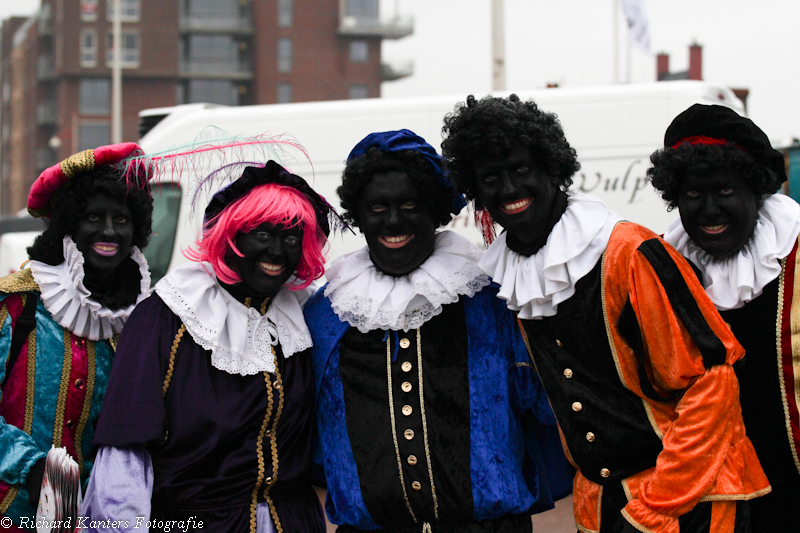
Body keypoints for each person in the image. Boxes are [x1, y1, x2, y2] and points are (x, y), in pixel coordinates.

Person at [441, 95, 771, 533]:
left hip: (689, 501)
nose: (507, 189)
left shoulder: (628, 253)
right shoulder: (514, 272)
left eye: (520, 170)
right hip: (602, 506)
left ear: (552, 168)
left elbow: (713, 385)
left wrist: (656, 508)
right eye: (490, 177)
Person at [304, 129, 572, 533]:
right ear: (358, 215)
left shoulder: (493, 300)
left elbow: (553, 404)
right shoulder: (325, 314)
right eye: (377, 207)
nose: (393, 221)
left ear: (437, 209)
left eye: (410, 204)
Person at [81, 160, 331, 532]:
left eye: (291, 238)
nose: (277, 252)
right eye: (262, 234)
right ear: (231, 236)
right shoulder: (166, 318)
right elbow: (124, 457)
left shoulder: (301, 318)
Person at [648, 103, 800, 532]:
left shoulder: (794, 253)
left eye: (726, 192)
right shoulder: (659, 269)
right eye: (693, 195)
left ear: (756, 190)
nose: (709, 210)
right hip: (706, 503)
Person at [0, 143, 153, 530]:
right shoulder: (16, 306)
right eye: (93, 217)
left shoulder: (142, 319)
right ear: (69, 224)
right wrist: (32, 468)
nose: (108, 231)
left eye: (121, 219)